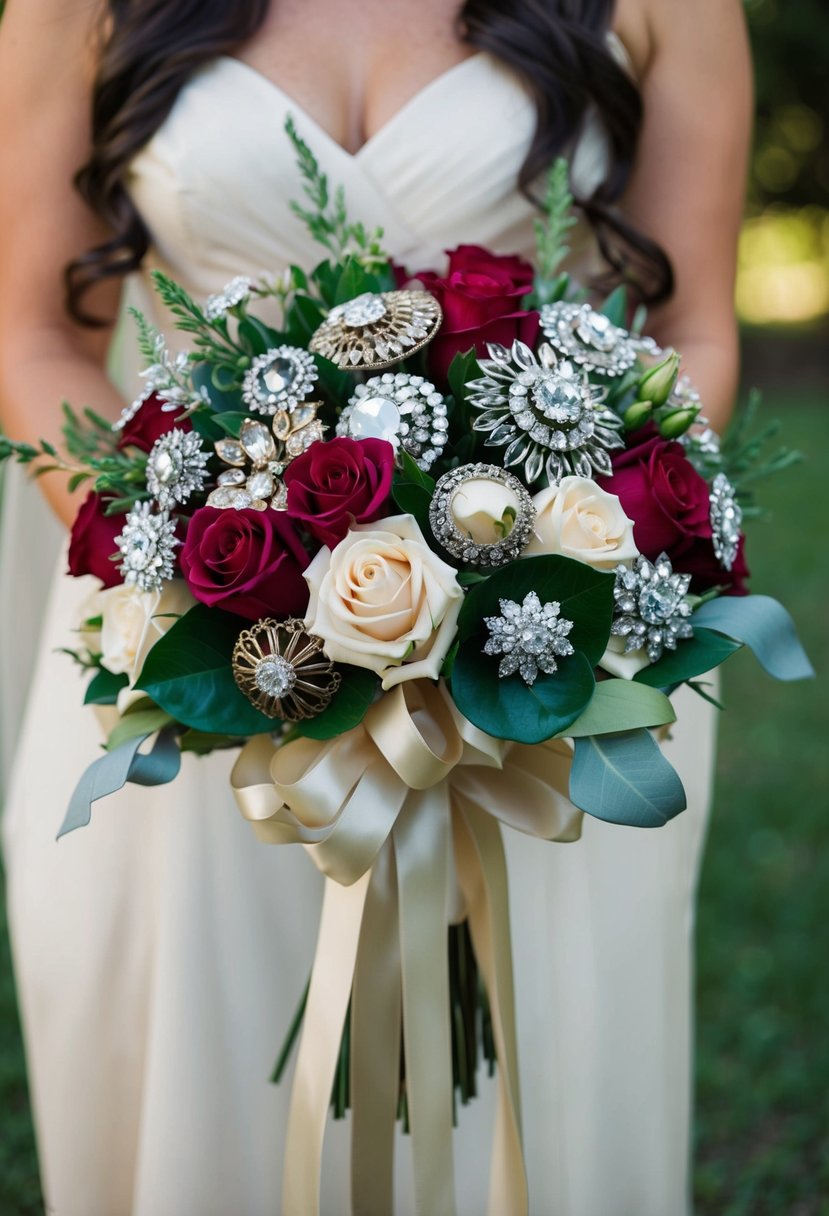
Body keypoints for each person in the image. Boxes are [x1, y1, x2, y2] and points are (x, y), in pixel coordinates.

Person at [0, 1, 752, 1213]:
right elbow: (35, 332)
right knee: (205, 1084)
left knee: (530, 1105)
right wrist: (205, 575)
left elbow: (696, 326)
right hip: (193, 664)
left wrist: (539, 567)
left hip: (539, 677)